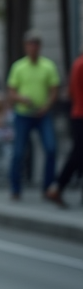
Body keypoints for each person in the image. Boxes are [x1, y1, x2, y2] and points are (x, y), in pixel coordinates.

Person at [7, 29, 59, 201]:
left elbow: (54, 90)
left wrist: (47, 106)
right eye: (30, 44)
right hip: (23, 114)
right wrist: (21, 98)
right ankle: (15, 188)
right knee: (19, 152)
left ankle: (47, 187)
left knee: (51, 148)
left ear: (40, 47)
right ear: (25, 47)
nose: (33, 48)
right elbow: (11, 92)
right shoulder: (19, 67)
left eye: (36, 44)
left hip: (42, 114)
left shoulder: (48, 66)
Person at [46, 45, 83, 207]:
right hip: (81, 115)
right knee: (77, 155)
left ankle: (58, 187)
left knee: (78, 154)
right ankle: (58, 186)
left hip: (77, 114)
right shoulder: (81, 65)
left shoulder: (77, 63)